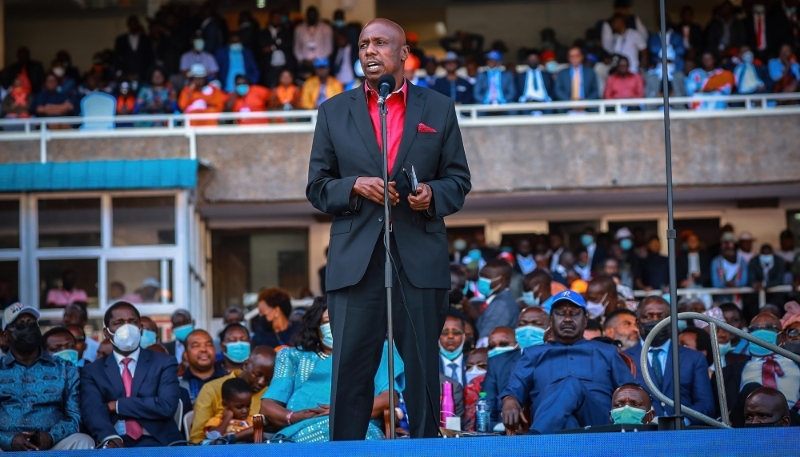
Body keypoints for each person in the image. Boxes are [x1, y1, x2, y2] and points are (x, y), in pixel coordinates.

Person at [306, 18, 471, 440]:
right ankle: (344, 451)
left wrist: (431, 194)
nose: (369, 51)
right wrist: (354, 186)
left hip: (419, 256)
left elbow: (458, 181)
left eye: (380, 43)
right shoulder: (332, 111)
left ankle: (426, 450)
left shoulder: (437, 108)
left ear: (403, 54)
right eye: (363, 45)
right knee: (351, 369)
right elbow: (318, 188)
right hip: (355, 260)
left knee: (420, 369)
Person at [259, 297, 401, 442]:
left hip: (355, 425)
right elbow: (268, 405)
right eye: (327, 321)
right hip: (300, 429)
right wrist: (293, 417)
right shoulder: (293, 356)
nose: (335, 326)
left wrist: (343, 410)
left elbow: (388, 398)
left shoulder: (375, 353)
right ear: (316, 326)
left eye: (341, 320)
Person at [501, 290, 635, 434]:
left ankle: (534, 443)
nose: (567, 319)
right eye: (560, 313)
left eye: (575, 313)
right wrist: (509, 400)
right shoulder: (533, 354)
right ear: (551, 321)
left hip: (598, 424)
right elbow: (513, 390)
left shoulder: (607, 352)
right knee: (567, 419)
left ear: (585, 320)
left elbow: (631, 391)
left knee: (571, 383)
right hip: (554, 427)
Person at [80, 301, 182, 448]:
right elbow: (93, 411)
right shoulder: (93, 371)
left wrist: (117, 405)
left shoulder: (164, 362)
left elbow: (166, 406)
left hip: (160, 443)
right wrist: (110, 438)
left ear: (140, 328)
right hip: (115, 442)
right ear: (106, 332)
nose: (126, 328)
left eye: (132, 322)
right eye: (119, 323)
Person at [0, 303, 94, 451]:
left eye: (31, 323)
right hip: (5, 447)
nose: (27, 328)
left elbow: (74, 417)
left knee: (83, 441)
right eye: (20, 324)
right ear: (5, 335)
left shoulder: (65, 368)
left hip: (53, 444)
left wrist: (50, 437)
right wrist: (9, 440)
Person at [623, 296, 715, 424]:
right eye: (648, 316)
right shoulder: (623, 359)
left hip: (684, 433)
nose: (655, 321)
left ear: (671, 321)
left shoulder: (694, 358)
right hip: (642, 434)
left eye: (661, 316)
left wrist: (682, 421)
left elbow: (706, 404)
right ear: (638, 322)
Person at [715, 312, 800, 418]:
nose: (761, 332)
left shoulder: (797, 364)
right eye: (754, 329)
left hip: (792, 422)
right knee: (751, 388)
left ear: (782, 337)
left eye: (769, 328)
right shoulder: (726, 373)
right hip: (748, 425)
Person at [190, 346, 275, 443]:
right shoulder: (211, 389)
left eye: (268, 379)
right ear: (246, 365)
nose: (261, 382)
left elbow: (265, 434)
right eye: (257, 375)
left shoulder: (270, 395)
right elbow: (197, 439)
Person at [476, 260, 519, 342]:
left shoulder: (501, 305)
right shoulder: (497, 299)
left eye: (486, 277)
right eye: (481, 276)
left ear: (501, 280)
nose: (481, 280)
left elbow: (485, 339)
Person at [180, 330, 226, 404]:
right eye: (196, 345)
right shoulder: (177, 385)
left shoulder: (229, 380)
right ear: (186, 355)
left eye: (208, 344)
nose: (203, 349)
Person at [259, 10, 293, 88]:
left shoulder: (286, 32)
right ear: (270, 18)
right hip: (269, 69)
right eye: (275, 17)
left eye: (279, 18)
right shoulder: (263, 33)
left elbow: (288, 45)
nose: (277, 19)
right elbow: (263, 48)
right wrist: (278, 43)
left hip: (284, 68)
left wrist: (272, 47)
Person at [114, 16, 154, 82]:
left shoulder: (146, 40)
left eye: (135, 23)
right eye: (131, 24)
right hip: (126, 75)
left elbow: (150, 57)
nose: (133, 25)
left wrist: (149, 73)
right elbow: (116, 58)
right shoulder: (121, 40)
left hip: (143, 76)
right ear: (128, 25)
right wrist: (119, 73)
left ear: (138, 24)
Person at [294, 6, 333, 74]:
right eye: (310, 15)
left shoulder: (326, 28)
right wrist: (302, 59)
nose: (311, 17)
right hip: (304, 63)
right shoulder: (299, 29)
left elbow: (329, 47)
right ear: (306, 16)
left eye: (313, 15)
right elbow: (296, 47)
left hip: (321, 64)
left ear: (317, 15)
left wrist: (318, 60)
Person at [711, 242, 750, 306]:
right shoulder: (716, 262)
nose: (728, 252)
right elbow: (715, 283)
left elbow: (744, 281)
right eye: (726, 250)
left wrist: (735, 283)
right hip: (721, 299)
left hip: (738, 298)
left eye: (731, 250)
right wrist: (725, 283)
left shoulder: (742, 261)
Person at [439, 315, 467, 386]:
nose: (450, 336)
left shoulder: (472, 363)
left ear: (464, 336)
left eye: (456, 332)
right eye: (444, 332)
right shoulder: (428, 365)